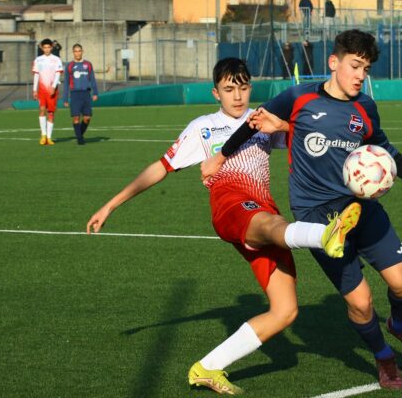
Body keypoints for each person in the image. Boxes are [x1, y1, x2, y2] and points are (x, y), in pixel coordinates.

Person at [202, 30, 402, 390]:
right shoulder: (299, 97)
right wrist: (220, 156)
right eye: (355, 66)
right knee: (361, 304)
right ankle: (384, 357)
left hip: (362, 208)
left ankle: (400, 325)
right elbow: (254, 123)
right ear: (334, 62)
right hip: (318, 217)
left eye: (366, 69)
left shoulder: (365, 107)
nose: (360, 75)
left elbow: (388, 154)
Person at [86, 57, 361, 395]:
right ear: (215, 92)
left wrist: (284, 127)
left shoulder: (261, 120)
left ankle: (207, 367)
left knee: (286, 311)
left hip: (263, 210)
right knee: (272, 223)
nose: (238, 96)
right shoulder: (203, 127)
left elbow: (311, 141)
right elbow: (160, 168)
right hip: (231, 205)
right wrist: (111, 205)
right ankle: (324, 235)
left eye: (244, 88)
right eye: (229, 89)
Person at [63, 44, 99, 145]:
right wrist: (65, 98)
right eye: (75, 51)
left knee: (87, 118)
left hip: (86, 94)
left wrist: (95, 92)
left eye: (79, 51)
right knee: (76, 118)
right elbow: (66, 83)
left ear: (82, 51)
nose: (77, 53)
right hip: (75, 94)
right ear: (73, 52)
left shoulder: (88, 64)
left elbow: (92, 79)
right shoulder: (69, 66)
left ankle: (79, 135)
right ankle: (80, 139)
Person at [32, 38, 63, 146]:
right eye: (44, 47)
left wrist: (54, 86)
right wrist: (34, 89)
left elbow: (58, 73)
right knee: (41, 110)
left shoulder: (56, 59)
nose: (46, 49)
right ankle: (43, 135)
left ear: (51, 47)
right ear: (42, 48)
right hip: (41, 90)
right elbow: (36, 74)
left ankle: (49, 138)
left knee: (51, 113)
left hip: (52, 90)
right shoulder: (38, 60)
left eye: (48, 47)